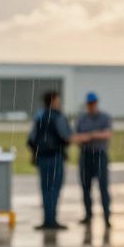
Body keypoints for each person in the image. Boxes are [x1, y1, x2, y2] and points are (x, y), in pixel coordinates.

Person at [28, 90, 72, 230]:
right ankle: (52, 220)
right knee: (55, 188)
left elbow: (32, 138)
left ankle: (47, 220)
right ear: (53, 101)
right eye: (58, 100)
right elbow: (66, 136)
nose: (59, 103)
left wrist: (34, 153)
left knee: (45, 189)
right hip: (55, 156)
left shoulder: (39, 116)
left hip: (42, 157)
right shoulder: (58, 117)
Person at [73, 91, 113, 228]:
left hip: (100, 155)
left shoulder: (105, 117)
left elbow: (107, 134)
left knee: (103, 187)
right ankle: (88, 215)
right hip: (85, 155)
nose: (91, 105)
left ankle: (107, 217)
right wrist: (95, 135)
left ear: (96, 103)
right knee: (85, 187)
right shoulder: (82, 118)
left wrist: (90, 135)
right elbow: (76, 137)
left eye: (93, 103)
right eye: (89, 103)